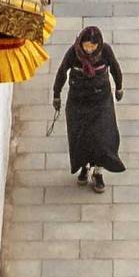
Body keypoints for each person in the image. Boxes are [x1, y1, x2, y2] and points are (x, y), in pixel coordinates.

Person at [51, 24, 125, 190]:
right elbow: (62, 72)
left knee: (103, 138)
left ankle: (98, 172)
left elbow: (115, 69)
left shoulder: (105, 51)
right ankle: (83, 168)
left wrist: (119, 87)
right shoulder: (73, 53)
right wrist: (56, 94)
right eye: (86, 46)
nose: (89, 50)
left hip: (101, 102)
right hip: (78, 102)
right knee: (80, 138)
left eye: (93, 46)